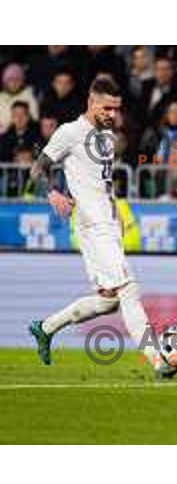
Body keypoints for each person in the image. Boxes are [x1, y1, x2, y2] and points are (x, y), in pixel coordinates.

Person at [27, 77, 160, 373]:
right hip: (92, 223)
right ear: (91, 101)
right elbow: (39, 167)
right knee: (128, 289)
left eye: (115, 109)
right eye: (107, 108)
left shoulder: (106, 137)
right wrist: (52, 192)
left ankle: (46, 328)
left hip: (108, 224)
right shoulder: (70, 132)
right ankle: (159, 360)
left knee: (108, 301)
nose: (112, 115)